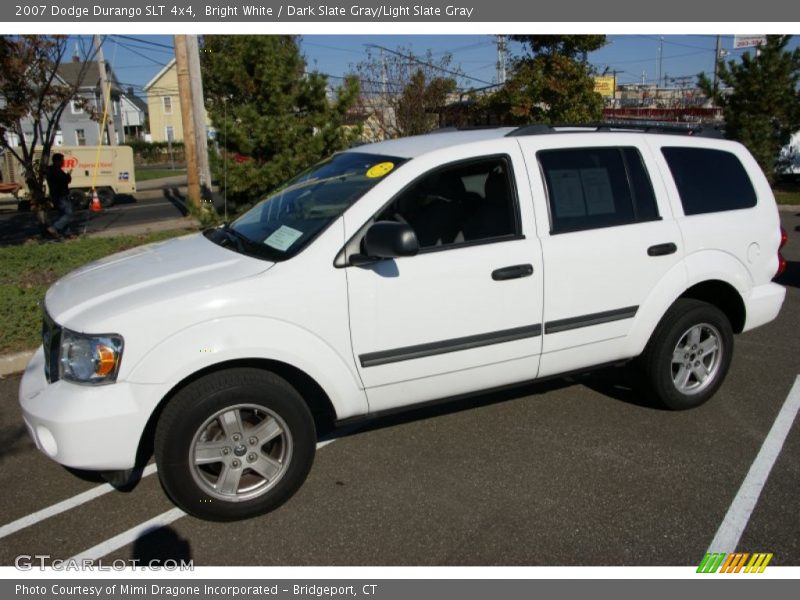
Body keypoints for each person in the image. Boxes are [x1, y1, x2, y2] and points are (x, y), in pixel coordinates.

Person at [45, 153, 72, 238]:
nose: (63, 162)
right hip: (60, 195)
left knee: (63, 214)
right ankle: (54, 227)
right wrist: (68, 175)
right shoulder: (55, 171)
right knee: (68, 213)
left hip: (56, 195)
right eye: (62, 160)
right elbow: (64, 180)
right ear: (57, 161)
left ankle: (67, 233)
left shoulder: (52, 170)